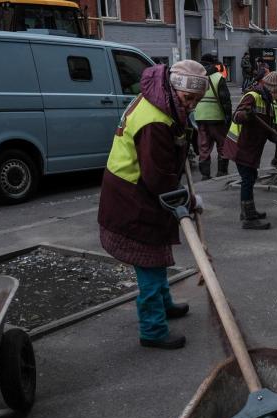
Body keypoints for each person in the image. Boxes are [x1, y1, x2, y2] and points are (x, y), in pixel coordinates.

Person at [98, 61, 207, 350]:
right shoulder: (155, 121)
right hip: (132, 198)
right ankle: (153, 329)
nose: (193, 105)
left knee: (156, 256)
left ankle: (165, 303)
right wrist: (190, 200)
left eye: (197, 100)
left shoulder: (160, 99)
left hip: (135, 192)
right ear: (174, 89)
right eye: (189, 98)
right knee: (147, 262)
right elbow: (158, 179)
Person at [222, 71, 277, 231]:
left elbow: (267, 129)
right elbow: (236, 116)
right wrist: (247, 115)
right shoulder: (252, 96)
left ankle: (247, 211)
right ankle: (249, 218)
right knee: (248, 178)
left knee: (250, 177)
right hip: (241, 146)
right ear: (273, 90)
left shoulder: (268, 102)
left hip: (250, 147)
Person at [196, 53, 232, 180]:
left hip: (200, 117)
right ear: (213, 63)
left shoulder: (196, 77)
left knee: (204, 146)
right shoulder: (218, 77)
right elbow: (225, 100)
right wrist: (229, 116)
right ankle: (222, 173)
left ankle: (205, 175)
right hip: (217, 117)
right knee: (222, 144)